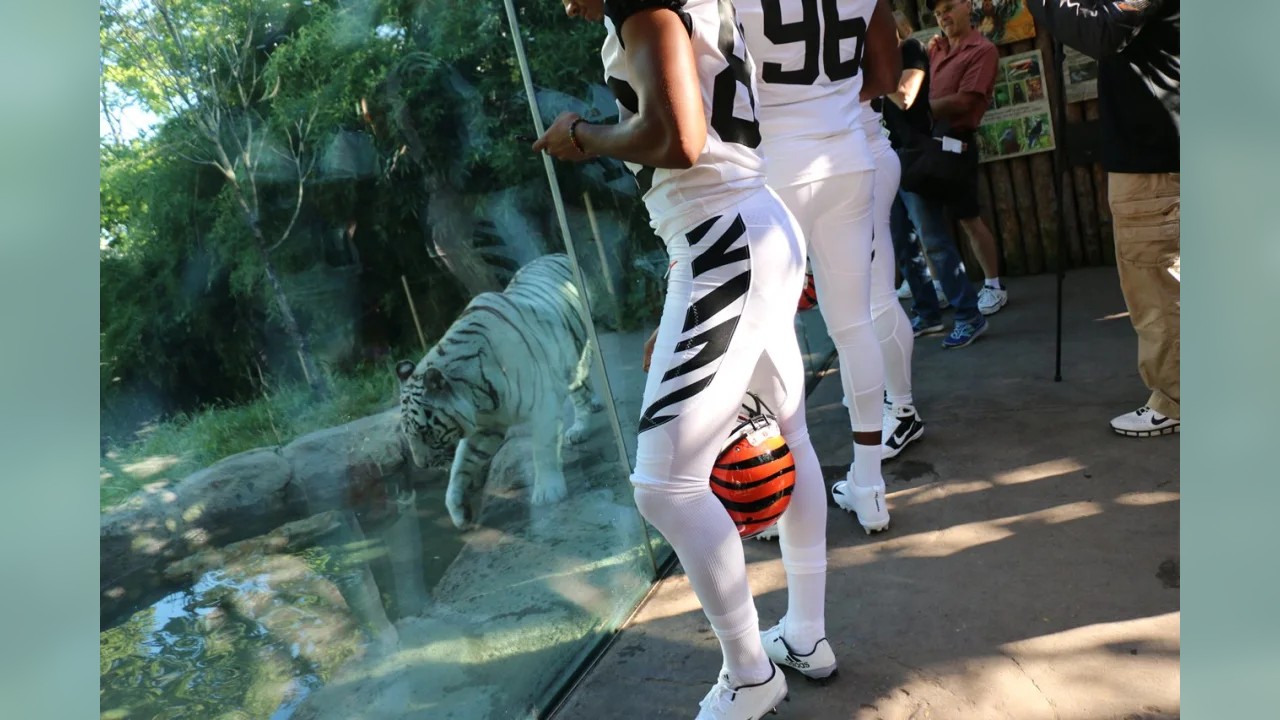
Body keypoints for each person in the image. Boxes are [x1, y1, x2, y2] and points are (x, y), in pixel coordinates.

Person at [536, 1, 824, 716]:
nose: (564, 7)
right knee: (791, 432)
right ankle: (806, 635)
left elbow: (680, 140)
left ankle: (752, 675)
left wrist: (583, 135)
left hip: (721, 243)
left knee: (664, 486)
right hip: (747, 228)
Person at [1025, 0, 1180, 437]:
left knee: (1155, 284)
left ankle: (1177, 398)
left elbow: (1103, 29)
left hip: (1151, 159)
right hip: (1163, 148)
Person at [928, 0, 1009, 318]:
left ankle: (993, 285)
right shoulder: (935, 49)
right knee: (928, 218)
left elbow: (965, 102)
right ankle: (940, 285)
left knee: (967, 216)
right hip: (928, 142)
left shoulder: (983, 50)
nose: (943, 16)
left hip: (956, 140)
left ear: (967, 6)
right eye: (937, 13)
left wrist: (917, 109)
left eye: (948, 7)